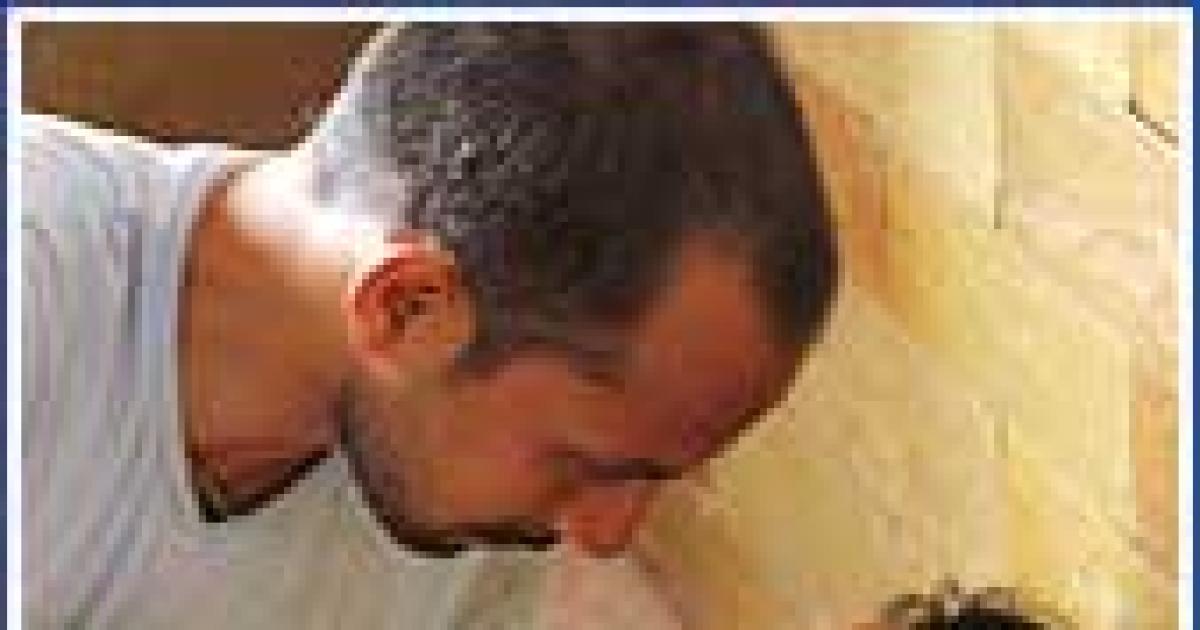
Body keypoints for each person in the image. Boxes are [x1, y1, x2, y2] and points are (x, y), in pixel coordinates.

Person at [20, 23, 838, 628]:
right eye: (589, 465)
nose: (604, 536)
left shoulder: (454, 507)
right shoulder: (33, 280)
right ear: (406, 307)